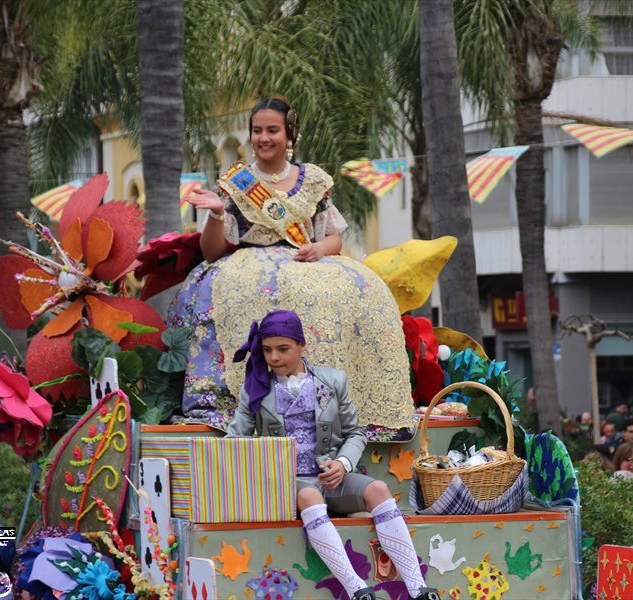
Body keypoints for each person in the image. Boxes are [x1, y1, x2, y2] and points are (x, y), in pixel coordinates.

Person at [170, 97, 413, 434]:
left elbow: (334, 240)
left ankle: (344, 406)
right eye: (257, 131)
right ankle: (235, 406)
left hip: (307, 259)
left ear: (290, 135)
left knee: (363, 291)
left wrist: (317, 248)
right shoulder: (237, 182)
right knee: (219, 293)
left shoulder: (312, 180)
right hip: (246, 264)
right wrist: (215, 213)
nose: (264, 138)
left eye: (273, 130)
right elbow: (211, 252)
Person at [227, 310, 438, 600]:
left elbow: (356, 433)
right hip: (288, 484)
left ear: (302, 346)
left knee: (378, 488)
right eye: (267, 350)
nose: (273, 358)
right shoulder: (255, 390)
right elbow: (234, 440)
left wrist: (342, 463)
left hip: (332, 479)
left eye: (283, 349)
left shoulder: (332, 381)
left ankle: (418, 589)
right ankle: (357, 589)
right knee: (309, 496)